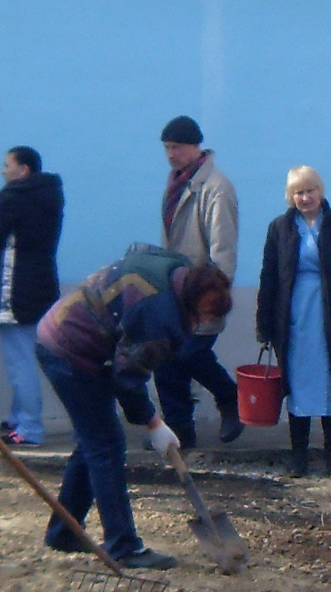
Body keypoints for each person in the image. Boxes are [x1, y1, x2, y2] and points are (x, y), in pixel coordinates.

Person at [35, 244, 235, 570]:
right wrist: (154, 424)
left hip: (65, 332)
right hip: (70, 350)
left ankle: (63, 531)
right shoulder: (158, 313)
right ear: (192, 300)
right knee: (107, 444)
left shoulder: (176, 268)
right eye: (204, 315)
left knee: (94, 441)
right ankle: (123, 545)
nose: (202, 324)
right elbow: (127, 379)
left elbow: (137, 249)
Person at [255, 166, 331, 478]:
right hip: (295, 319)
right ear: (290, 196)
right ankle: (298, 456)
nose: (305, 198)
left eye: (310, 191)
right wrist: (264, 325)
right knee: (299, 385)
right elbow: (269, 278)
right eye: (298, 192)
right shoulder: (279, 228)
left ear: (320, 191)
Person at [156, 115, 245, 450]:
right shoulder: (178, 183)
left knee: (189, 354)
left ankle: (230, 397)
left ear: (196, 146)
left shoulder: (215, 188)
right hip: (175, 293)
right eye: (167, 148)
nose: (171, 154)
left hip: (203, 295)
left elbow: (223, 252)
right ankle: (179, 432)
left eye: (177, 147)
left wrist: (213, 299)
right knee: (165, 361)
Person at [0, 145, 65, 446]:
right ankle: (18, 418)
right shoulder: (51, 195)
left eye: (7, 165)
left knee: (20, 361)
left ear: (23, 169)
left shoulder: (13, 197)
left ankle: (29, 428)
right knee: (29, 355)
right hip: (42, 288)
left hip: (14, 292)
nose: (3, 171)